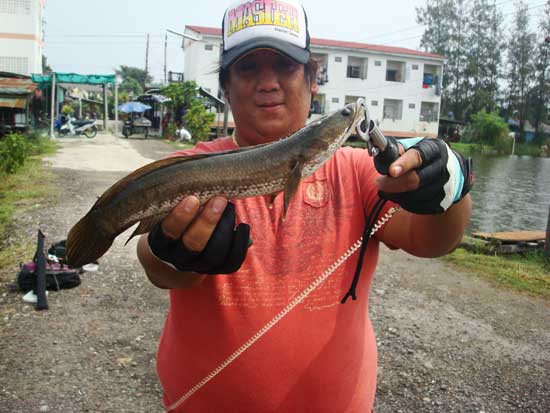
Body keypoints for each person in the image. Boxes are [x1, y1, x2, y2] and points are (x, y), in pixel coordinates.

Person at [137, 1, 473, 411]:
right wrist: (175, 256)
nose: (268, 83)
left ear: (313, 79)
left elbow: (431, 239)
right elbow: (156, 264)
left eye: (284, 66)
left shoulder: (359, 170)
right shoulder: (190, 169)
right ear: (226, 87)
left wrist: (450, 187)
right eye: (248, 69)